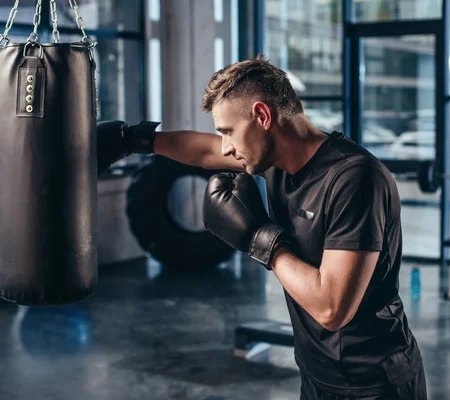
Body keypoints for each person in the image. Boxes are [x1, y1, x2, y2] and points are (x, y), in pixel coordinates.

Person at [96, 55, 427, 400]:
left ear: (262, 116)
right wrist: (132, 141)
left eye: (228, 131)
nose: (225, 146)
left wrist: (260, 238)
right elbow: (201, 151)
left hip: (375, 383)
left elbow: (332, 308)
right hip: (317, 373)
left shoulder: (354, 179)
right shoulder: (274, 161)